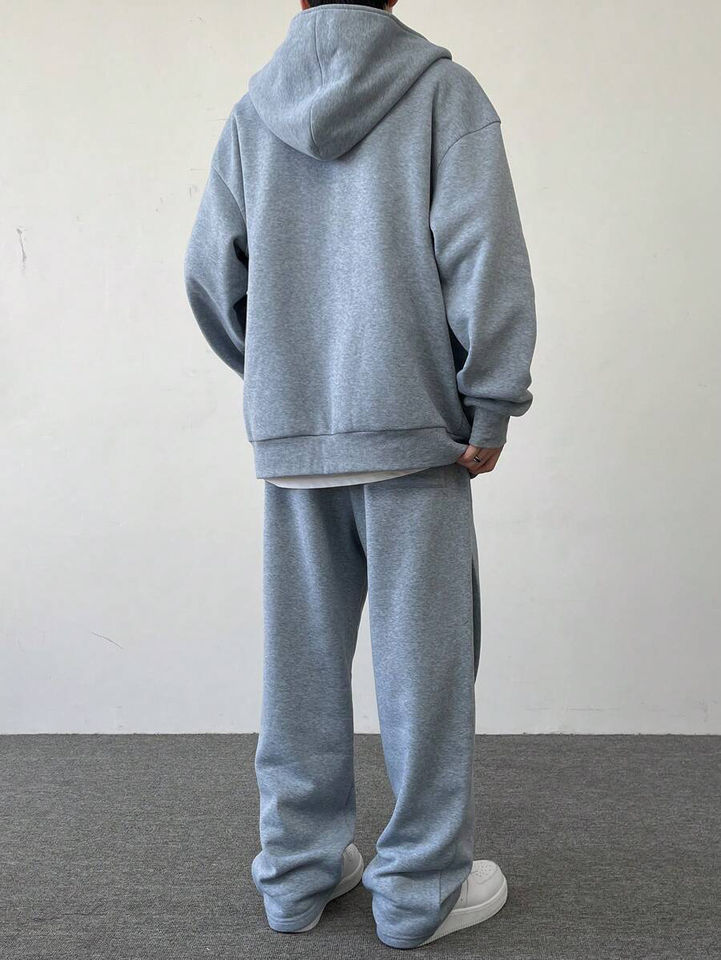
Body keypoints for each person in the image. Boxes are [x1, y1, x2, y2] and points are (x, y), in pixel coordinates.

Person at [184, 0, 536, 948]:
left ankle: (295, 876)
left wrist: (286, 381)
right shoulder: (442, 93)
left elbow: (212, 273)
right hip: (415, 437)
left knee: (298, 664)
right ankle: (418, 890)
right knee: (425, 669)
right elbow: (483, 252)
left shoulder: (254, 112)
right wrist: (489, 399)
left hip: (297, 440)